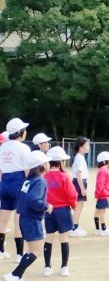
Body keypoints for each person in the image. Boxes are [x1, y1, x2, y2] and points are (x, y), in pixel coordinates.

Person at [3, 151, 53, 281]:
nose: (49, 164)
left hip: (25, 218)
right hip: (32, 220)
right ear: (42, 165)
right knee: (37, 251)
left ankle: (16, 275)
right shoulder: (40, 181)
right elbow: (33, 200)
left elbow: (22, 199)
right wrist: (46, 206)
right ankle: (15, 274)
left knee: (31, 250)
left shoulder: (28, 180)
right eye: (47, 162)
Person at [42, 146, 77, 277]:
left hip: (49, 211)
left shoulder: (44, 176)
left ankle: (47, 267)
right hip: (63, 210)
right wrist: (74, 206)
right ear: (61, 162)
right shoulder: (65, 176)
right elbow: (72, 194)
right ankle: (64, 267)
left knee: (49, 239)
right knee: (64, 239)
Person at [0, 118, 31, 262]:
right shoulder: (23, 147)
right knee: (18, 219)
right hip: (19, 183)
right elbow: (27, 170)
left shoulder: (3, 147)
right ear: (20, 132)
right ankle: (19, 254)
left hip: (5, 182)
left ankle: (1, 250)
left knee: (3, 220)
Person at [69, 137, 90, 237]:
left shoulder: (79, 157)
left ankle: (75, 226)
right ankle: (74, 227)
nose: (88, 147)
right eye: (86, 145)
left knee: (78, 207)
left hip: (78, 182)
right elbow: (79, 174)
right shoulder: (80, 158)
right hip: (79, 183)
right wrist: (82, 188)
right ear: (81, 147)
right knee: (78, 207)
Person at [94, 151, 109, 236]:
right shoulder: (104, 170)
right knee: (102, 212)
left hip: (101, 194)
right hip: (102, 194)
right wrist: (98, 194)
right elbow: (100, 183)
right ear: (104, 161)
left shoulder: (102, 169)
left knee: (98, 211)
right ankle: (103, 229)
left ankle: (97, 229)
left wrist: (97, 194)